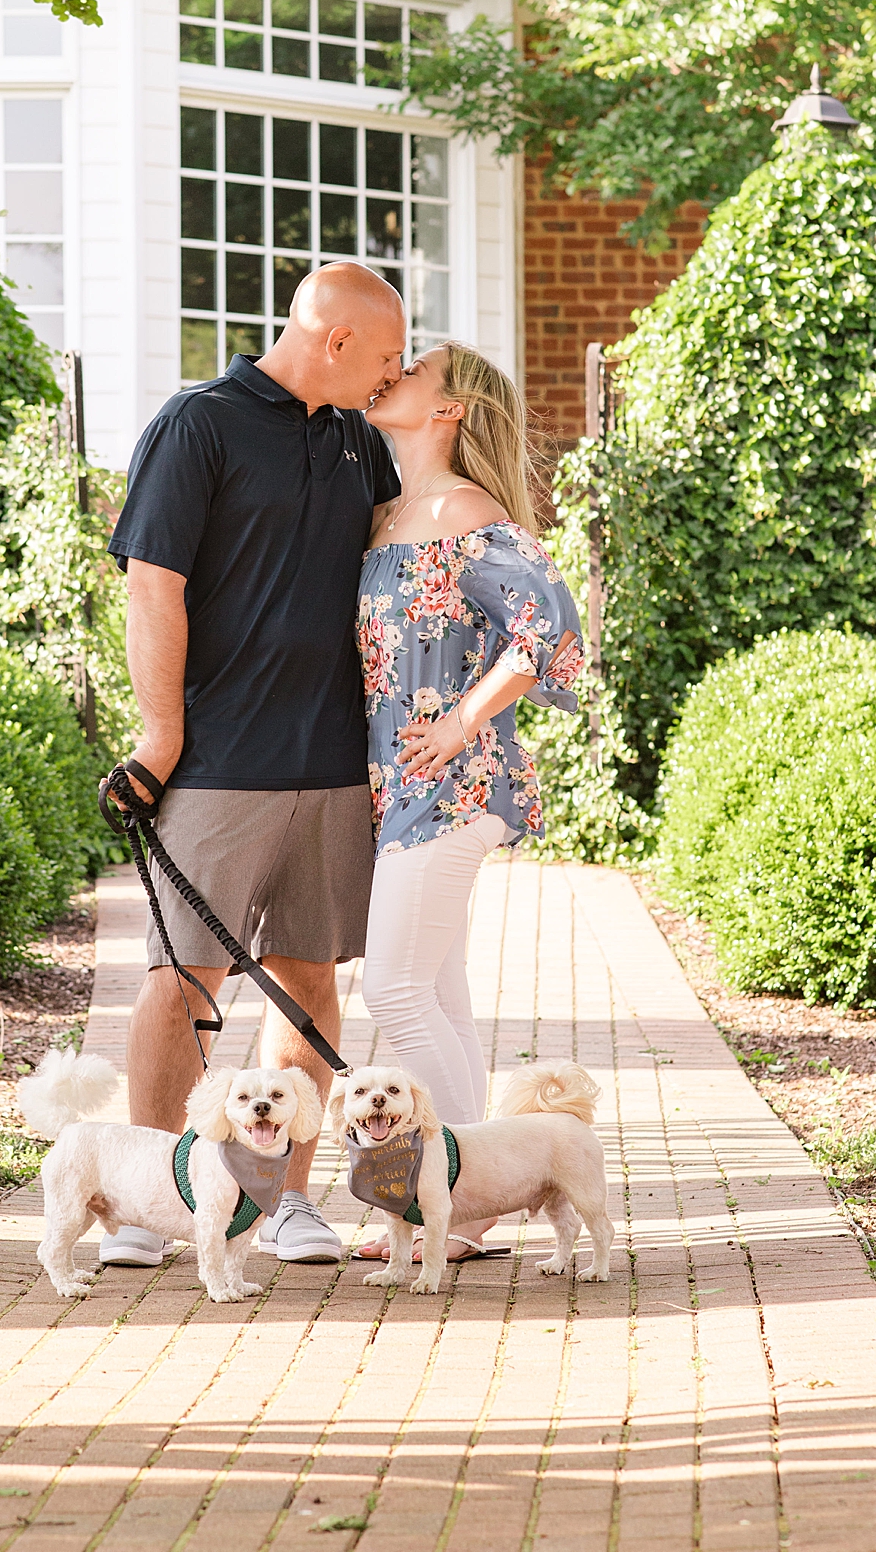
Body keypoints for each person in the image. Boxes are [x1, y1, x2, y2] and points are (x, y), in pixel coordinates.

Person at [104, 262, 406, 1269]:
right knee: (184, 978)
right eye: (385, 356)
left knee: (308, 978)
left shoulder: (360, 442)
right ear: (334, 340)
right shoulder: (199, 425)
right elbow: (154, 588)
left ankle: (281, 1206)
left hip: (331, 764)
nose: (390, 373)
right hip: (218, 763)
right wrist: (160, 737)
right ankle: (152, 1199)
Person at [354, 343, 582, 1259]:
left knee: (394, 988)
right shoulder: (389, 511)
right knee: (438, 993)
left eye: (413, 368)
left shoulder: (466, 513)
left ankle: (453, 1198)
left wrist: (458, 722)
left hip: (455, 783)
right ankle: (467, 1200)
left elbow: (551, 631)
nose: (391, 372)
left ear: (448, 410)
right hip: (399, 788)